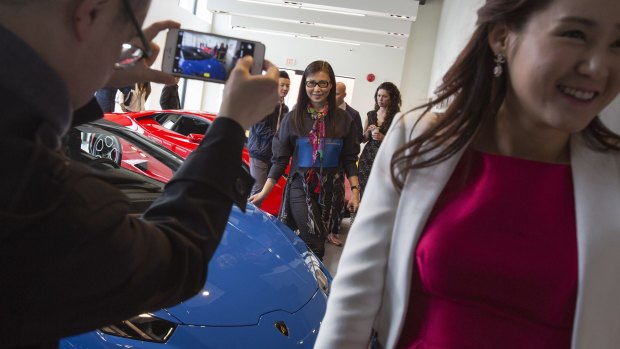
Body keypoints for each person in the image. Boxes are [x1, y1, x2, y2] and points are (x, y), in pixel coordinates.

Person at [315, 0, 620, 348]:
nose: (599, 67)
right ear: (502, 36)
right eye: (575, 34)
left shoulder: (612, 177)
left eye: (618, 44)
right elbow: (353, 301)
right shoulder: (419, 140)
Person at [0, 0, 279, 348]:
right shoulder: (44, 192)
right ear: (90, 13)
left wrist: (95, 70)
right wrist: (232, 123)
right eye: (127, 32)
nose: (122, 47)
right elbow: (176, 258)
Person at [249, 61, 361, 260]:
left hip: (330, 193)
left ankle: (294, 276)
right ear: (304, 86)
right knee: (315, 243)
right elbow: (280, 160)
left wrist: (355, 192)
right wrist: (264, 192)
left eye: (323, 84)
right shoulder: (293, 119)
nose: (316, 89)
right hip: (300, 187)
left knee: (309, 240)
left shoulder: (344, 120)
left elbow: (350, 158)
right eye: (311, 83)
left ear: (331, 85)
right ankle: (318, 285)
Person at [247, 70, 291, 195]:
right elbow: (260, 129)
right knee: (258, 190)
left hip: (273, 155)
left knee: (265, 192)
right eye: (281, 85)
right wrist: (279, 139)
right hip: (259, 152)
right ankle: (249, 214)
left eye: (287, 86)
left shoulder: (284, 108)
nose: (285, 88)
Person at [357, 82, 402, 198]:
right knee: (363, 189)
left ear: (392, 98)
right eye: (378, 95)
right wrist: (368, 132)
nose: (380, 99)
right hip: (367, 157)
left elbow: (400, 141)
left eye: (384, 96)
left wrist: (383, 137)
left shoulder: (397, 116)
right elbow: (363, 139)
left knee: (379, 192)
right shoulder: (371, 114)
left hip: (385, 157)